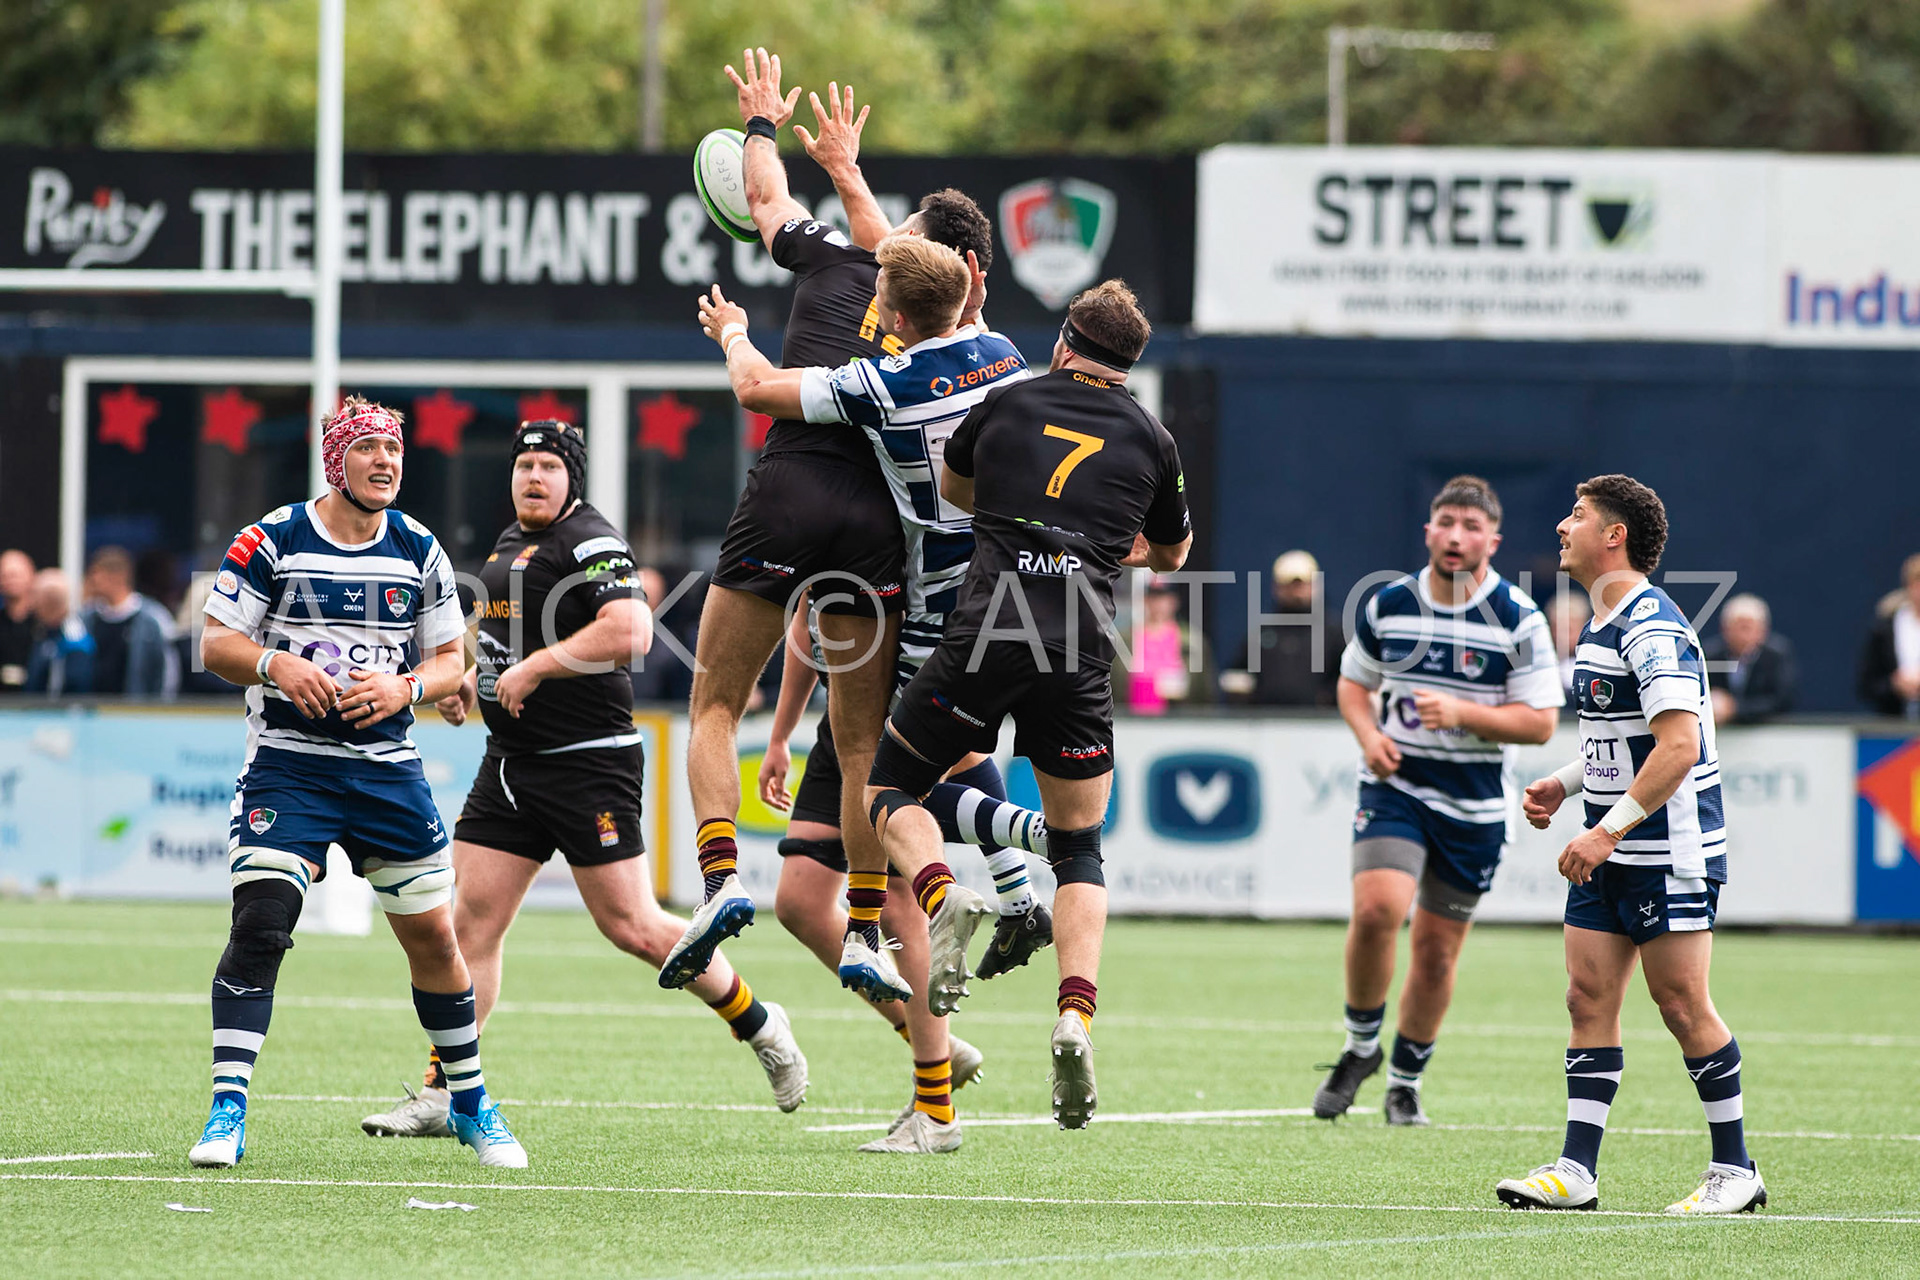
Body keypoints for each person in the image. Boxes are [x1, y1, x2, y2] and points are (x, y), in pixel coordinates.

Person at [358, 421, 808, 1141]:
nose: (534, 477)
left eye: (548, 466)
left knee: (630, 926)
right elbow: (512, 648)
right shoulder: (510, 545)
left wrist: (537, 668)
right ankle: (446, 1091)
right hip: (510, 765)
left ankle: (759, 1023)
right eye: (524, 465)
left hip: (587, 761)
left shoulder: (592, 540)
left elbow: (628, 631)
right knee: (469, 925)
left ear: (573, 478)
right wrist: (470, 684)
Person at [697, 231, 1042, 1154]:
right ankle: (937, 1031)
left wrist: (732, 332)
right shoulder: (998, 352)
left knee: (896, 828)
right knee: (807, 896)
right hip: (904, 624)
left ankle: (938, 1094)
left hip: (927, 624)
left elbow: (759, 388)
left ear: (886, 306)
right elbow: (818, 606)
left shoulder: (872, 392)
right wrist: (780, 730)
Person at [661, 50, 976, 992]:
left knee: (715, 703)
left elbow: (762, 200)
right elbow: (895, 246)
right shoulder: (951, 340)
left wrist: (761, 123)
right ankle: (869, 933)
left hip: (789, 493)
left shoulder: (837, 260)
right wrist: (846, 168)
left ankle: (720, 880)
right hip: (875, 528)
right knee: (857, 749)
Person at [857, 279, 1191, 1132]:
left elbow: (960, 492)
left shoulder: (1007, 403)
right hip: (1078, 649)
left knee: (891, 784)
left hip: (983, 634)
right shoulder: (1154, 440)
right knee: (1080, 848)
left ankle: (943, 893)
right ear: (1129, 363)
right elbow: (1175, 553)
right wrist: (1107, 545)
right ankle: (1075, 1012)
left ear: (1065, 341)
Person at [189, 397, 526, 1170]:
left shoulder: (419, 547)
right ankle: (227, 1111)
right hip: (288, 763)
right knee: (262, 922)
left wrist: (406, 688)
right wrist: (279, 664)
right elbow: (215, 642)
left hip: (384, 770)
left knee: (436, 940)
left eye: (395, 452)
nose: (386, 463)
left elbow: (451, 660)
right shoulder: (271, 539)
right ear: (336, 460)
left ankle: (471, 1103)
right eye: (370, 449)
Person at [1497, 474, 1763, 1216]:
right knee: (1588, 999)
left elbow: (1678, 748)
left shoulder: (1652, 626)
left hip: (1665, 851)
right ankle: (1575, 1171)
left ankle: (1736, 1171)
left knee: (1681, 1004)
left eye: (1576, 516)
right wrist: (1566, 782)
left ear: (1614, 536)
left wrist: (1608, 829)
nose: (1561, 526)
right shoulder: (1601, 623)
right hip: (1610, 848)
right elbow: (1629, 742)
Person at [1313, 476, 1562, 1127]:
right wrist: (1369, 736)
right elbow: (1352, 685)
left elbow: (1540, 723)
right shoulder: (1389, 603)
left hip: (1473, 808)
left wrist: (1462, 711)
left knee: (1436, 950)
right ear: (1427, 530)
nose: (1456, 536)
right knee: (1376, 910)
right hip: (1397, 788)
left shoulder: (1518, 617)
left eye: (1471, 527)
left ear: (1493, 540)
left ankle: (1405, 1081)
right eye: (1446, 522)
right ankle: (1360, 1047)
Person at [1222, 551, 1342, 707]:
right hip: (1266, 726)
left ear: (1315, 586)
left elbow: (1348, 680)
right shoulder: (1262, 632)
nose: (1295, 592)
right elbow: (1238, 676)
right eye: (1289, 585)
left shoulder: (1333, 632)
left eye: (1301, 584)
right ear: (1276, 587)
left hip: (1318, 726)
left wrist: (1326, 699)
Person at [81, 546, 178, 698]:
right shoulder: (86, 619)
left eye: (96, 574)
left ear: (117, 577)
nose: (92, 580)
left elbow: (168, 671)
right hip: (93, 713)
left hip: (135, 714)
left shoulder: (153, 619)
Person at [1120, 577, 1210, 713]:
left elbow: (1205, 690)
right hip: (1132, 719)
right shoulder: (1125, 639)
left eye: (1164, 598)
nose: (1159, 604)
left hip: (1177, 720)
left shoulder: (1192, 641)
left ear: (1174, 601)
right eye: (1154, 598)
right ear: (1146, 600)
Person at [1704, 594, 1796, 725]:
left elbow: (1782, 701)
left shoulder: (1777, 656)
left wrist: (1735, 708)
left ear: (1762, 630)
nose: (1743, 635)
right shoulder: (1710, 656)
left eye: (1748, 628)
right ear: (1725, 629)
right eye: (1738, 627)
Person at [1858, 553, 1920, 719]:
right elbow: (1867, 684)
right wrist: (1894, 685)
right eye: (1917, 583)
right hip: (1893, 727)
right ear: (1908, 586)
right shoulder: (1884, 628)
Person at [24, 568, 93, 695]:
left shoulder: (73, 638)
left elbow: (76, 686)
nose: (31, 602)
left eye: (34, 594)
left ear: (48, 601)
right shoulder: (41, 631)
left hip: (59, 713)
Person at [0, 549, 36, 693]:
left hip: (39, 705)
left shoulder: (44, 624)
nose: (10, 580)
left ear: (31, 576)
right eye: (4, 575)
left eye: (15, 575)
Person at [1549, 592, 1591, 703]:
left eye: (1569, 630)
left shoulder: (1595, 662)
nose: (1562, 637)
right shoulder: (1544, 661)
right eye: (1557, 629)